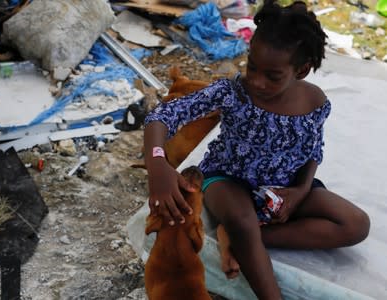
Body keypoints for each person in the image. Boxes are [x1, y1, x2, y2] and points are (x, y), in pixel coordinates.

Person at [143, 1, 370, 299]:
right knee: (242, 218)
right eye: (252, 67)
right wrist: (158, 164)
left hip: (282, 190)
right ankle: (251, 252)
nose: (257, 81)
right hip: (227, 179)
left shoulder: (315, 102)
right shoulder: (232, 92)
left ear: (301, 70)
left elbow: (313, 151)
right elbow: (163, 116)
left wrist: (299, 192)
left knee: (356, 224)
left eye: (273, 76)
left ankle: (239, 237)